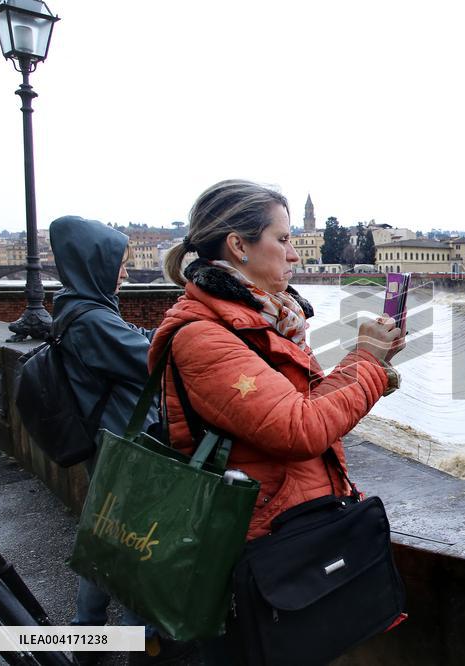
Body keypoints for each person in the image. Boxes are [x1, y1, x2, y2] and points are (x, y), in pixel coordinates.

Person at [148, 179, 403, 660]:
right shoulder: (203, 336)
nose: (294, 255)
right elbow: (300, 428)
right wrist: (366, 360)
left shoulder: (265, 320)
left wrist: (374, 363)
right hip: (252, 548)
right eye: (282, 239)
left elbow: (309, 405)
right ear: (238, 245)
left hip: (289, 528)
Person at [49, 216, 191, 665]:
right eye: (119, 264)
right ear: (94, 264)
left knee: (105, 537)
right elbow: (149, 359)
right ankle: (138, 641)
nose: (126, 272)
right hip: (125, 444)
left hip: (108, 440)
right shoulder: (91, 319)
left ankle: (86, 636)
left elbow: (133, 346)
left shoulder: (79, 308)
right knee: (136, 546)